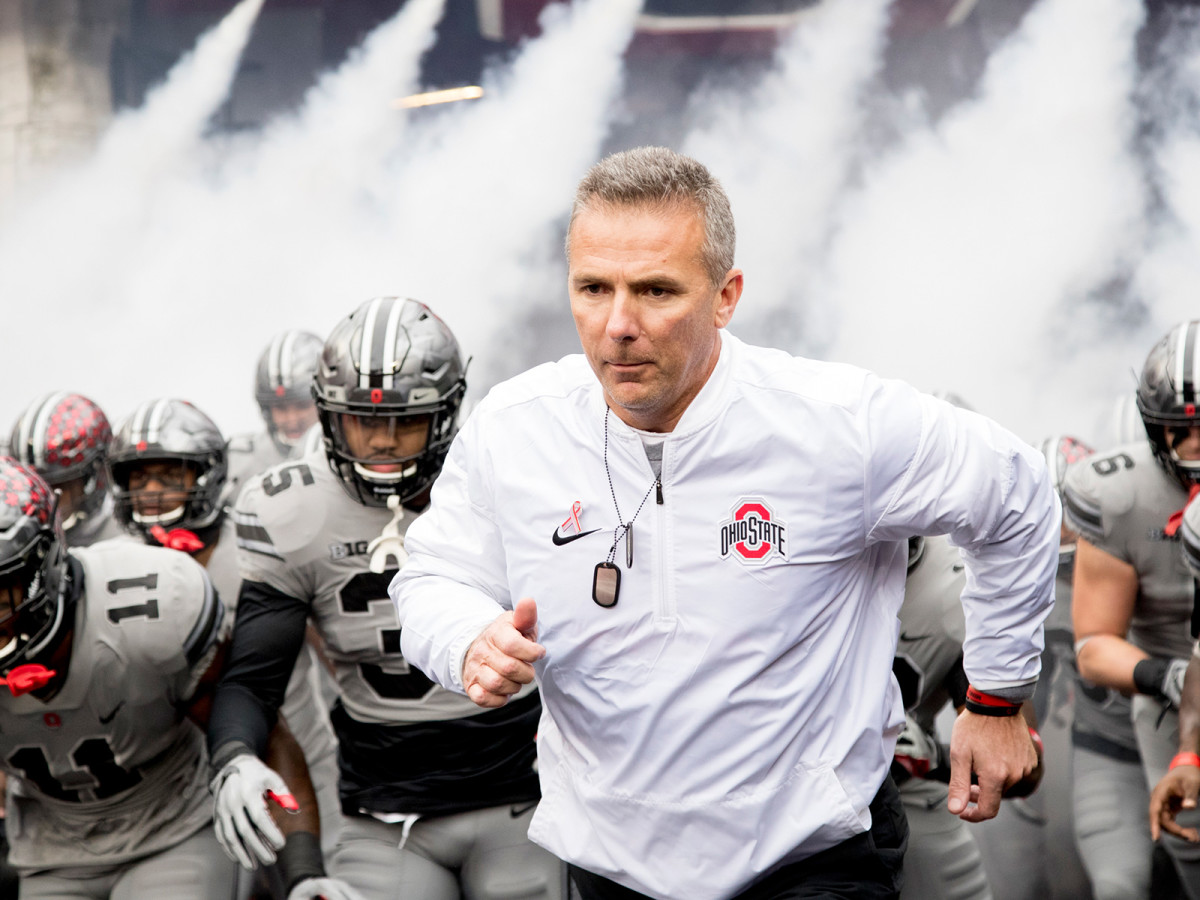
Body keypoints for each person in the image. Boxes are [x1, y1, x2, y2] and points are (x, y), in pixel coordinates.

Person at [390, 146, 1057, 900]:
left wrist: (997, 697)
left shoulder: (837, 424)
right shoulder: (514, 429)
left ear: (725, 295)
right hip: (611, 868)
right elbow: (434, 577)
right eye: (592, 288)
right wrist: (466, 638)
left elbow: (1018, 491)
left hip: (812, 862)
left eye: (655, 291)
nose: (618, 325)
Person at [207, 296, 566, 900]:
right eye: (364, 421)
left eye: (407, 422)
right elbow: (253, 678)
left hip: (522, 793)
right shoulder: (292, 506)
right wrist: (235, 755)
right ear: (328, 415)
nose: (383, 444)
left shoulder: (506, 467)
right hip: (384, 812)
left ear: (449, 414)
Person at [0, 458, 331, 899]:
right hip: (51, 850)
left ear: (43, 566)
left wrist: (303, 871)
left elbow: (257, 733)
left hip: (171, 830)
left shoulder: (150, 601)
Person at [104, 399, 344, 878]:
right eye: (139, 477)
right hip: (188, 787)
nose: (150, 492)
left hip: (299, 764)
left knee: (316, 881)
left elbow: (334, 645)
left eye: (169, 476)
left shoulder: (259, 544)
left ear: (207, 476)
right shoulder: (115, 567)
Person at [1066, 321, 1200, 897]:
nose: (1199, 445)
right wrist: (1169, 677)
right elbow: (1094, 643)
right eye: (1184, 429)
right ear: (1155, 430)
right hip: (1172, 700)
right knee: (1193, 849)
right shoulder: (1120, 497)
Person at [8, 392, 124, 547]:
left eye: (57, 486)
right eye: (31, 490)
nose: (42, 501)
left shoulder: (126, 543)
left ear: (94, 477)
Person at [227, 331, 323, 496]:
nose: (292, 419)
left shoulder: (353, 455)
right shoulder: (237, 463)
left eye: (302, 406)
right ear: (266, 409)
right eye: (281, 408)